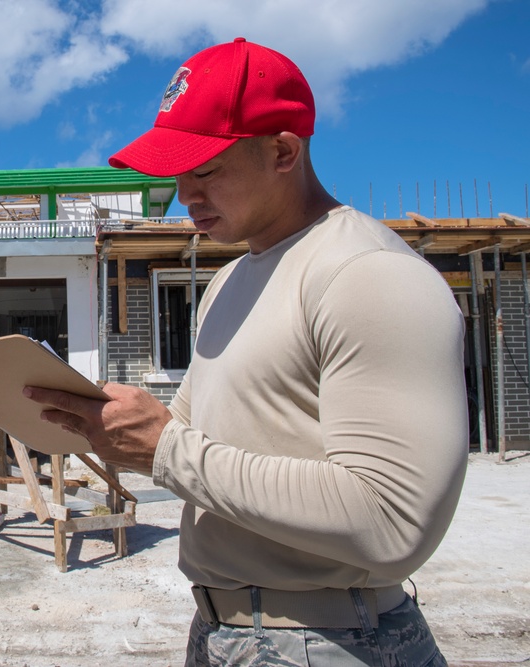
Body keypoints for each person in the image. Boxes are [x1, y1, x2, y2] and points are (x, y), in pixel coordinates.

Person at [25, 37, 467, 666]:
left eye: (205, 170)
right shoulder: (231, 280)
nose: (185, 195)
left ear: (283, 150)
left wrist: (168, 449)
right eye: (178, 173)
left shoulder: (367, 274)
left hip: (328, 640)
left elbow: (393, 520)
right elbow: (220, 441)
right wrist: (115, 424)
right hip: (225, 628)